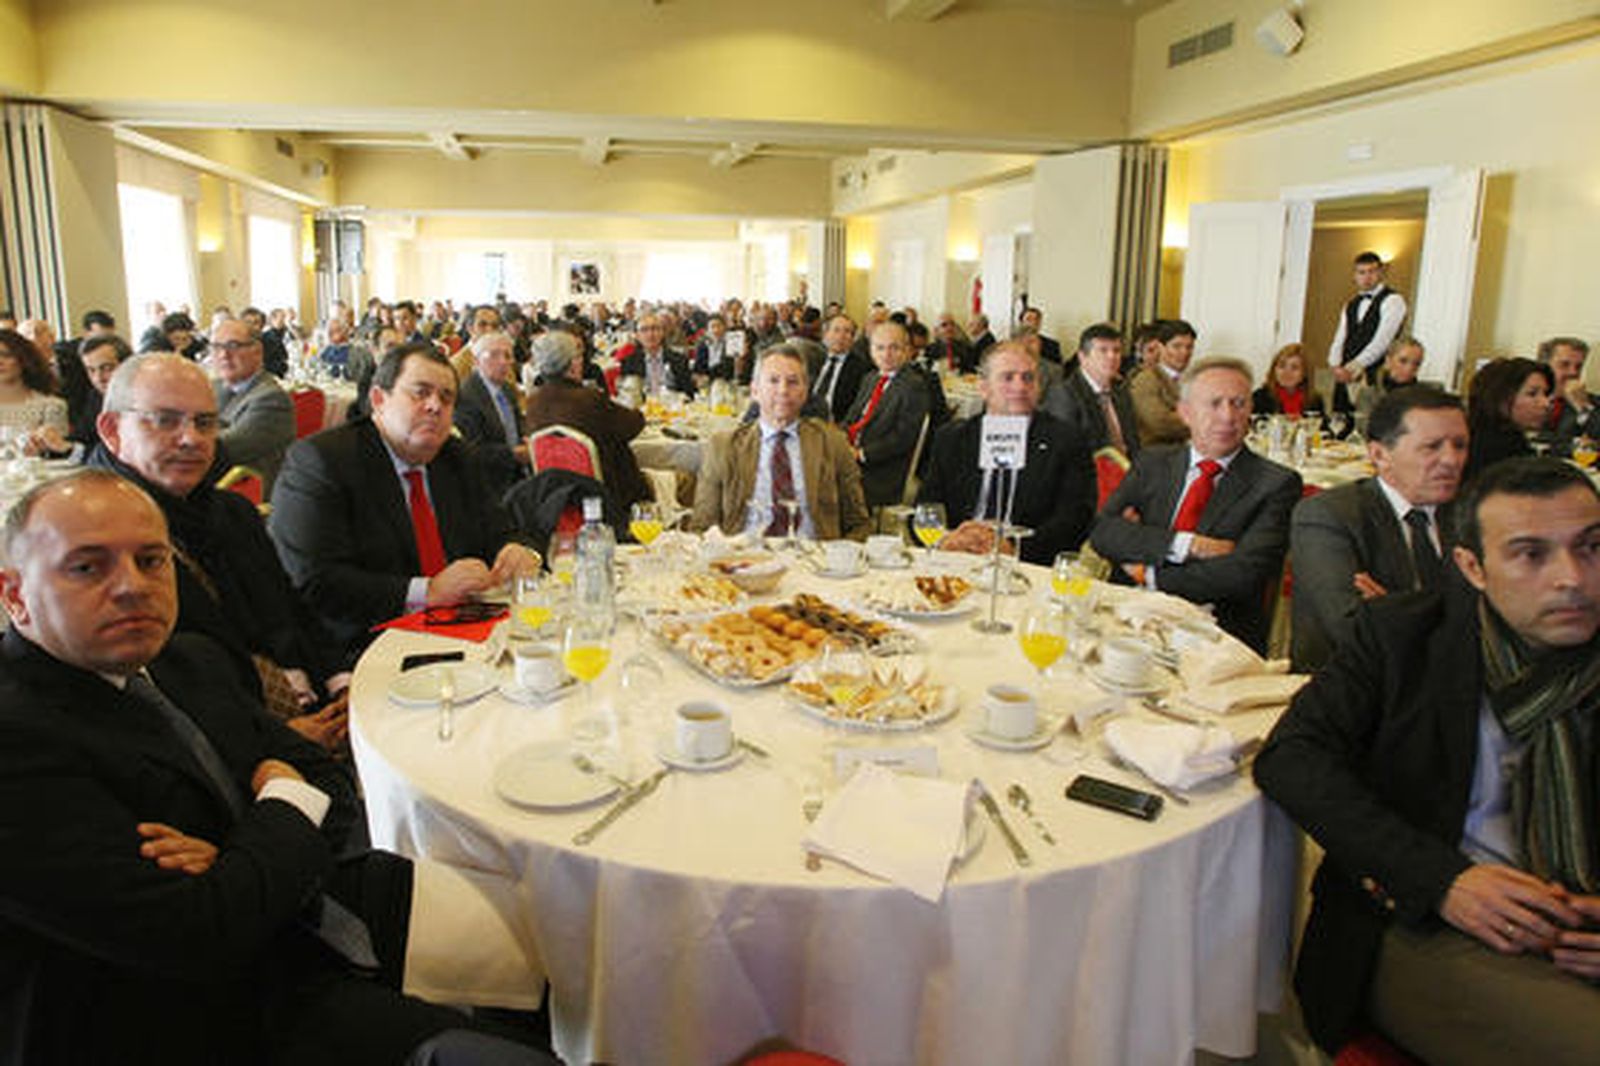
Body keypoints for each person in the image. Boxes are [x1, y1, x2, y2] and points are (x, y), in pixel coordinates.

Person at [0, 470, 555, 1066]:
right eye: (87, 567)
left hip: (304, 910)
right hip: (191, 1016)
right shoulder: (18, 737)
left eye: (151, 560)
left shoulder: (189, 662)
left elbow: (335, 785)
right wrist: (280, 800)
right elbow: (202, 935)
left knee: (569, 938)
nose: (132, 587)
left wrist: (237, 855)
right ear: (14, 595)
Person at [1255, 457, 1600, 1065]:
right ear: (1472, 567)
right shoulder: (1407, 639)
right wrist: (1442, 879)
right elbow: (1291, 758)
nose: (1572, 578)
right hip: (1434, 925)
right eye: (1530, 554)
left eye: (1592, 548)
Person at [91, 353, 348, 745]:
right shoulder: (94, 541)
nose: (191, 438)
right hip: (218, 751)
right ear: (112, 430)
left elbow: (292, 607)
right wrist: (273, 739)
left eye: (205, 422)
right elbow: (150, 686)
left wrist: (340, 683)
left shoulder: (231, 511)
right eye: (165, 420)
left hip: (306, 704)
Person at [269, 342, 541, 657]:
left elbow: (503, 530)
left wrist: (519, 551)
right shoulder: (322, 462)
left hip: (464, 636)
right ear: (378, 400)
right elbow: (316, 580)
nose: (435, 406)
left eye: (446, 398)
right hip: (366, 644)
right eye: (420, 393)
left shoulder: (458, 457)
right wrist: (428, 592)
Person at [1089, 356, 1302, 652]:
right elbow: (1104, 532)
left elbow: (1242, 573)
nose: (1228, 417)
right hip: (1127, 619)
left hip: (1215, 632)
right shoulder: (1153, 462)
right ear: (1185, 413)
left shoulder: (1276, 483)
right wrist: (1186, 545)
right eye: (1214, 404)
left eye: (1239, 403)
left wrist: (1147, 572)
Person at [1289, 386, 1469, 671]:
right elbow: (1352, 630)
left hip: (1455, 690)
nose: (1451, 460)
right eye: (1432, 447)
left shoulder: (1473, 515)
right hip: (1355, 693)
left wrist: (1394, 609)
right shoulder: (1329, 515)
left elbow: (1506, 619)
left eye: (1460, 445)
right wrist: (1454, 619)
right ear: (1379, 455)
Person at [918, 341, 1095, 564]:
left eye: (1028, 378)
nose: (1020, 387)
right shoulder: (953, 438)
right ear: (983, 387)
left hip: (1025, 565)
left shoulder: (1066, 441)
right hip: (956, 557)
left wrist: (1013, 548)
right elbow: (926, 507)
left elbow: (1075, 520)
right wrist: (945, 540)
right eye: (1007, 377)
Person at [692, 345, 869, 541]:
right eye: (773, 381)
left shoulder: (833, 443)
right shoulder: (723, 447)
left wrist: (838, 559)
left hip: (814, 561)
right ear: (755, 390)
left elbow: (858, 523)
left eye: (793, 382)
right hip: (745, 559)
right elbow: (703, 526)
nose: (783, 390)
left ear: (805, 392)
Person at [523, 330, 653, 508]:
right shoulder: (588, 400)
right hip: (604, 492)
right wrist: (639, 411)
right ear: (573, 365)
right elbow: (632, 426)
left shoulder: (533, 403)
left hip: (554, 496)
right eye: (578, 356)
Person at [843, 320, 937, 508]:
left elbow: (902, 438)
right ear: (871, 350)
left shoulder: (914, 385)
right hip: (852, 457)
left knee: (821, 485)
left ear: (908, 351)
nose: (886, 355)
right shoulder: (870, 378)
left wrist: (861, 454)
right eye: (880, 348)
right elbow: (852, 419)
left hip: (882, 470)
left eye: (894, 348)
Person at [211, 318, 296, 493]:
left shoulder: (272, 400)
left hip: (245, 498)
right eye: (217, 347)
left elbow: (222, 449)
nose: (223, 354)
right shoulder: (216, 386)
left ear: (257, 351)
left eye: (233, 346)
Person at [1040, 322, 1140, 460]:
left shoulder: (1121, 393)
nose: (1112, 356)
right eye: (1103, 350)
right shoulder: (1065, 394)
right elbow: (1066, 451)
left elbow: (1133, 443)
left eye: (1117, 351)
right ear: (1082, 357)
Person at [453, 330, 529, 502]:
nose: (503, 362)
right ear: (476, 361)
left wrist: (525, 439)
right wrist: (512, 454)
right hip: (487, 482)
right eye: (494, 355)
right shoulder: (466, 396)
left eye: (508, 356)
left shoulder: (508, 390)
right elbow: (471, 451)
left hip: (516, 475)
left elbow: (517, 428)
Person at [1329, 250, 1408, 410]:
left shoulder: (1393, 300)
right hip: (1344, 375)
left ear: (1381, 272)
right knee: (1340, 420)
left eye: (1371, 271)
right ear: (1355, 275)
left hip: (1374, 374)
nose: (1366, 277)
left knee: (1367, 422)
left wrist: (1356, 366)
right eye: (1361, 272)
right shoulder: (1350, 304)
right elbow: (1340, 337)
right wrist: (1335, 365)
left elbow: (1383, 341)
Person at [1465, 357, 1553, 483]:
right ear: (1498, 398)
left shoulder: (1473, 431)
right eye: (1532, 394)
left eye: (1545, 394)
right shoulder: (1502, 449)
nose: (1546, 403)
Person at [0, 328, 69, 457]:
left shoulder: (51, 406)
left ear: (23, 360)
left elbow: (60, 457)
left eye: (7, 355)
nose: (0, 362)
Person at [1128, 318, 1194, 446]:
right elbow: (1161, 423)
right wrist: (1204, 421)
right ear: (1161, 347)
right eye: (1177, 346)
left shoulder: (1193, 380)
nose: (1184, 353)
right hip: (1156, 454)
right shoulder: (1146, 379)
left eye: (1189, 347)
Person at [69, 333, 130, 447]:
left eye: (107, 368)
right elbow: (82, 438)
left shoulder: (143, 400)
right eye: (91, 370)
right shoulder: (96, 397)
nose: (98, 378)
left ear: (128, 365)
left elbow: (121, 449)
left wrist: (70, 448)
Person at [810, 314, 871, 424]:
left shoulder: (862, 369)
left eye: (847, 332)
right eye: (836, 330)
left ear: (853, 339)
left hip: (836, 423)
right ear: (826, 335)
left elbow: (857, 408)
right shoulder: (813, 359)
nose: (841, 336)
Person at [1536, 336, 1596, 446]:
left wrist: (1583, 408)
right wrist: (1574, 442)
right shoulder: (1527, 398)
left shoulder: (1594, 405)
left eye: (1579, 367)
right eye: (1564, 365)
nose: (1573, 373)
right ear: (1544, 367)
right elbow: (1532, 437)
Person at [1352, 335, 1426, 422]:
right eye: (1403, 361)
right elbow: (1364, 428)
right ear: (1388, 361)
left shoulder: (1423, 397)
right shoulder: (1369, 392)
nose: (1409, 368)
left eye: (1416, 364)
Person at [618, 313, 695, 397]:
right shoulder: (629, 362)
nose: (650, 334)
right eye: (644, 330)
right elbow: (628, 396)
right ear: (637, 336)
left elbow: (689, 394)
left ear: (662, 333)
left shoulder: (679, 360)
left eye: (655, 329)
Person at [1251, 343, 1327, 421]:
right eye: (1282, 366)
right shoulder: (1260, 398)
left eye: (1294, 367)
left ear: (1304, 373)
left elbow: (1323, 429)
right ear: (1274, 370)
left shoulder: (1314, 401)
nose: (1287, 372)